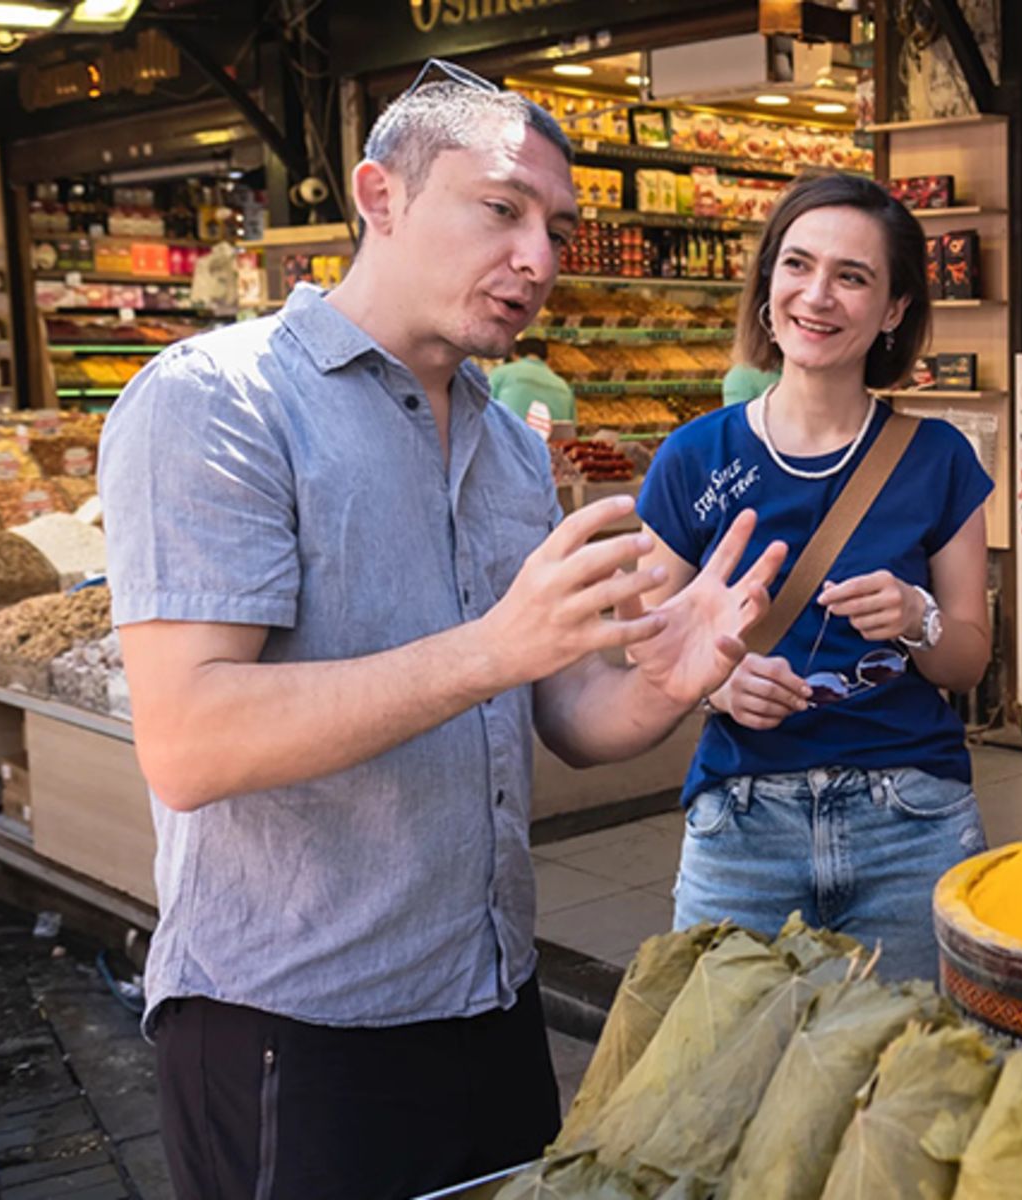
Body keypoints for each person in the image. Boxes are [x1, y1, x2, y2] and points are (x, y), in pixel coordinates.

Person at [100, 64, 782, 1200]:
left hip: (491, 1002)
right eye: (502, 210)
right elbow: (191, 740)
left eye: (557, 229)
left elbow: (564, 715)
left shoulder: (513, 448)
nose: (539, 260)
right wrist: (492, 649)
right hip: (295, 1025)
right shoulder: (218, 402)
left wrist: (672, 679)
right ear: (382, 194)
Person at [637, 173, 993, 982]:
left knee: (907, 1086)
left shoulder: (939, 460)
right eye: (797, 265)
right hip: (743, 824)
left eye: (853, 276)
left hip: (911, 818)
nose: (817, 295)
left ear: (895, 310)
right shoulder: (695, 457)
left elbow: (968, 660)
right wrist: (718, 689)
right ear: (768, 283)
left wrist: (916, 615)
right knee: (719, 1084)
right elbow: (645, 646)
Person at [490, 335, 576, 429]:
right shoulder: (564, 386)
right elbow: (571, 428)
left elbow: (481, 409)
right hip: (548, 443)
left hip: (507, 439)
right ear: (548, 360)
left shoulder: (501, 373)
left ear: (514, 355)